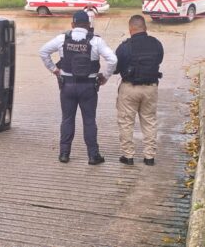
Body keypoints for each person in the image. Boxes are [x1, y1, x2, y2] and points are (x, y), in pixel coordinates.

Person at [39, 10, 117, 165]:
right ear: (88, 25)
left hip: (67, 86)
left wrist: (54, 70)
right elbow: (113, 59)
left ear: (72, 24)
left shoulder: (62, 39)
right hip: (88, 87)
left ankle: (64, 154)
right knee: (89, 120)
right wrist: (105, 77)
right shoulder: (96, 41)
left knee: (67, 119)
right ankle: (93, 155)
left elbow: (43, 52)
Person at [114, 15, 164, 166]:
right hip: (151, 88)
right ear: (145, 28)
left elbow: (116, 68)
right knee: (149, 121)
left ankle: (128, 156)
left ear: (130, 29)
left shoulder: (125, 46)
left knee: (126, 122)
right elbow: (159, 60)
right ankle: (149, 157)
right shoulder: (156, 44)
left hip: (129, 88)